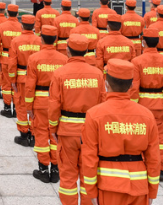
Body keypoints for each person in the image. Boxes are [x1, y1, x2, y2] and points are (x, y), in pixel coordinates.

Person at [82, 59, 160, 205]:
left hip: (108, 186)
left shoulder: (94, 114)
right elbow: (154, 158)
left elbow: (89, 157)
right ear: (131, 85)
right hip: (139, 186)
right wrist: (152, 191)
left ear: (106, 83)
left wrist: (91, 191)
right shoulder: (147, 115)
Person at [48, 34, 106, 205]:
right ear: (87, 51)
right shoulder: (97, 74)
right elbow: (104, 103)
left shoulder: (60, 74)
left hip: (67, 131)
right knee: (89, 174)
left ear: (67, 51)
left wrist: (53, 129)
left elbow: (54, 105)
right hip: (90, 131)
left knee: (67, 175)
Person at [130, 28, 163, 182]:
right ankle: (161, 168)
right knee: (160, 138)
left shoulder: (137, 61)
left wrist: (133, 106)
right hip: (159, 105)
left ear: (143, 41)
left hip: (142, 105)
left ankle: (144, 164)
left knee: (142, 136)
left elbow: (134, 88)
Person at [25, 25, 66, 183]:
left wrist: (29, 107)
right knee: (55, 135)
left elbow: (30, 86)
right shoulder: (63, 59)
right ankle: (56, 169)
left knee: (41, 134)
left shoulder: (34, 58)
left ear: (41, 38)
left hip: (40, 103)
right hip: (57, 103)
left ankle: (43, 168)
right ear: (55, 39)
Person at [8, 15, 41, 147]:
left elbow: (12, 63)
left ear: (22, 25)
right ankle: (34, 134)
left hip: (21, 79)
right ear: (33, 26)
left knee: (21, 105)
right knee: (34, 106)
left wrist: (12, 80)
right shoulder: (39, 41)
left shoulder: (16, 41)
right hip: (36, 79)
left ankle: (24, 134)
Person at [0, 4, 23, 118]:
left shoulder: (2, 27)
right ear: (17, 14)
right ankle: (16, 108)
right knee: (16, 85)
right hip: (18, 60)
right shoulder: (21, 27)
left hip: (5, 59)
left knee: (6, 84)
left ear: (7, 13)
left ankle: (7, 108)